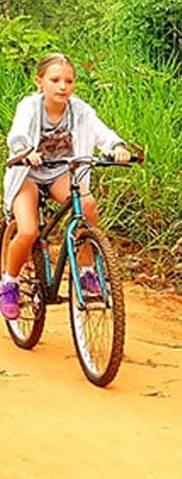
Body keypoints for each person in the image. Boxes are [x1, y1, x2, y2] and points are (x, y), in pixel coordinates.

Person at [2, 53, 131, 320]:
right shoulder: (30, 107)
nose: (63, 86)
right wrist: (23, 149)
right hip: (27, 174)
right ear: (39, 82)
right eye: (55, 80)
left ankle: (86, 272)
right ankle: (9, 283)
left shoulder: (79, 110)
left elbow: (101, 131)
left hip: (61, 172)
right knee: (28, 231)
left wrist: (117, 147)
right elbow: (18, 134)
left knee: (87, 205)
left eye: (69, 81)